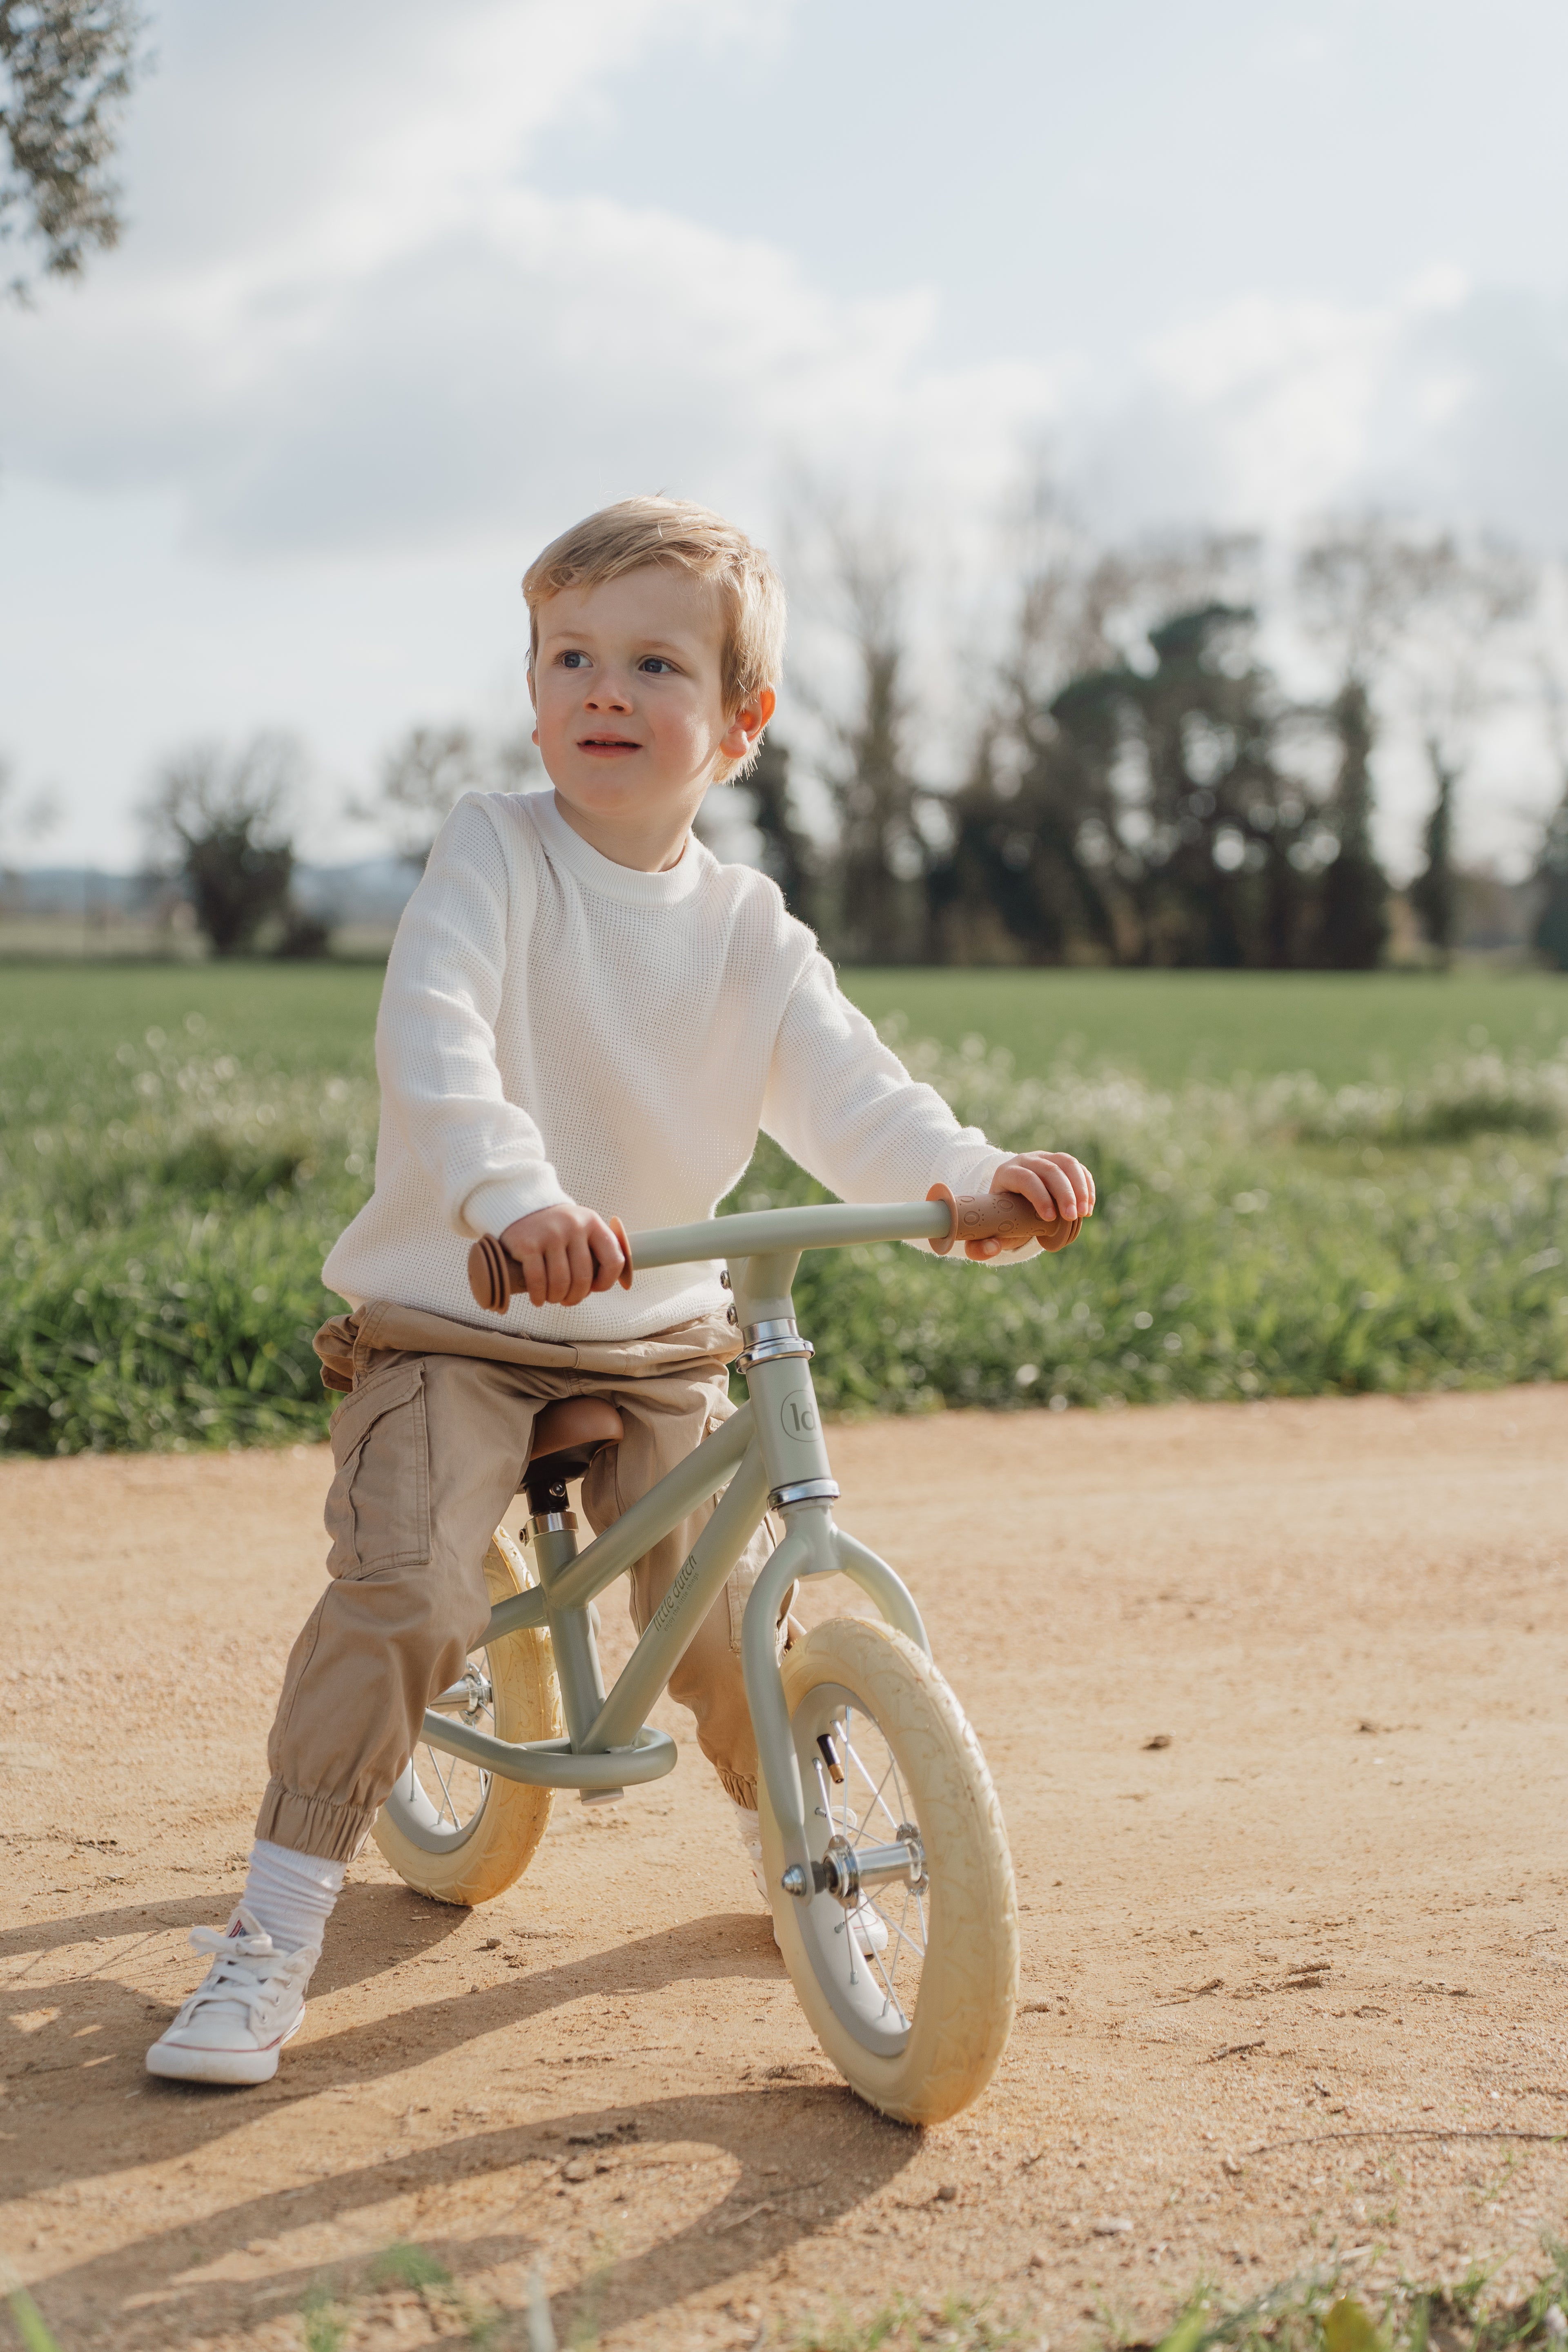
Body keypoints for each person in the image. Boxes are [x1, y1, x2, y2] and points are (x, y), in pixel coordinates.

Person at [146, 496, 1095, 2086]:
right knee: (417, 1591)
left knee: (737, 1622)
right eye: (568, 655)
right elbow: (437, 1043)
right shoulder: (493, 854)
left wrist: (968, 1187)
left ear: (739, 725)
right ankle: (271, 1931)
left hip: (653, 1322)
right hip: (460, 1311)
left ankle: (805, 1855)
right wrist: (516, 1200)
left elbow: (855, 1091)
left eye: (653, 662)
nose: (602, 689)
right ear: (532, 695)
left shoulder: (747, 930)